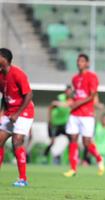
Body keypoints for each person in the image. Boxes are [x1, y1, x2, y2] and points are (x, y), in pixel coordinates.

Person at [63, 54, 105, 177]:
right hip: (74, 114)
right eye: (78, 61)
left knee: (86, 142)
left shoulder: (92, 76)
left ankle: (99, 159)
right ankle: (73, 169)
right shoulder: (75, 78)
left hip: (87, 114)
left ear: (87, 63)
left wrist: (76, 103)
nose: (79, 63)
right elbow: (77, 94)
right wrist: (71, 99)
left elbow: (92, 95)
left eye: (82, 61)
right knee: (73, 139)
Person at [0, 48, 34, 187]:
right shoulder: (0, 76)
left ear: (5, 59)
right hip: (10, 113)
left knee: (17, 141)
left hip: (24, 112)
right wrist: (1, 112)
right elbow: (4, 96)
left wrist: (18, 113)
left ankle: (23, 179)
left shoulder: (18, 74)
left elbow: (29, 95)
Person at [44, 85, 72, 164]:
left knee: (72, 140)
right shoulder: (60, 98)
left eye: (70, 91)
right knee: (52, 141)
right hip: (55, 124)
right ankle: (46, 154)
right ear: (65, 92)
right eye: (68, 91)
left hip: (64, 124)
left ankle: (72, 157)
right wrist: (50, 120)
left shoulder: (72, 99)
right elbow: (51, 106)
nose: (69, 93)